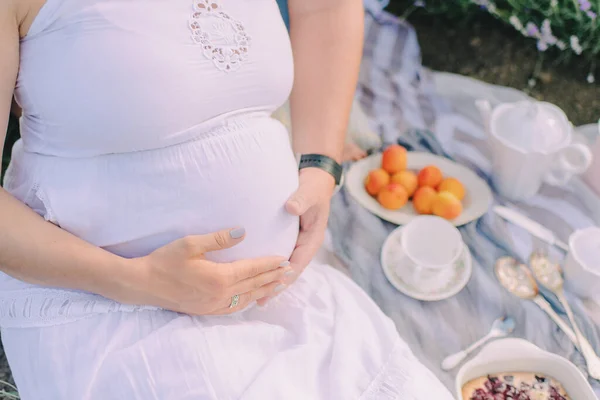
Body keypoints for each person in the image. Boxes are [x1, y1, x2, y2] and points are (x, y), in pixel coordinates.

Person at [0, 0, 454, 398]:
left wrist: (321, 164)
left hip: (279, 293)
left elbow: (326, 8)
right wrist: (141, 281)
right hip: (108, 303)